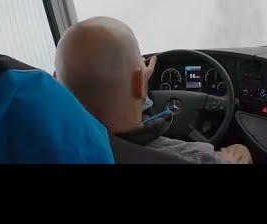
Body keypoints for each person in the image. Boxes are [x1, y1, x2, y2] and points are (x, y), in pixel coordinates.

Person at [54, 16, 253, 164]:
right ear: (140, 84)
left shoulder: (51, 145)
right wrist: (235, 156)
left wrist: (137, 83)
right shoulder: (198, 158)